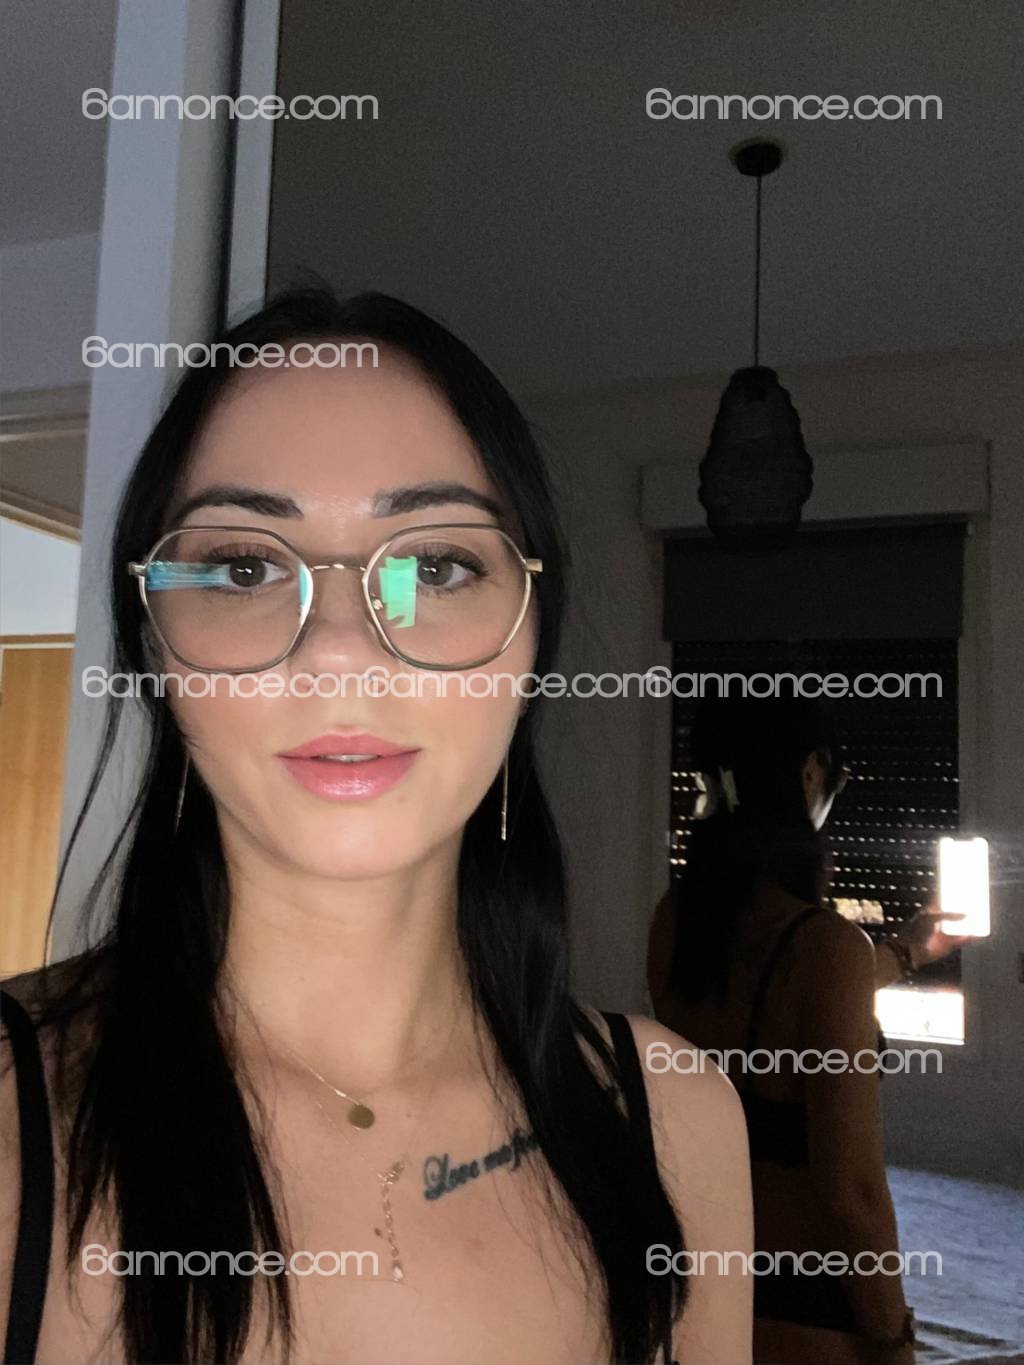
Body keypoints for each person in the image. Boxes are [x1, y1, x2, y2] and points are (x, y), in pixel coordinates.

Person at [1, 288, 751, 1365]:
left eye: (435, 565)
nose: (341, 651)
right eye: (246, 567)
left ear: (530, 644)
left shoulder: (674, 1117)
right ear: (156, 649)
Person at [647, 697, 968, 1365]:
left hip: (706, 1290)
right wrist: (893, 1338)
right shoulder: (823, 948)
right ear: (811, 771)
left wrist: (908, 952)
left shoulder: (677, 923)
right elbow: (852, 1192)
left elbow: (784, 992)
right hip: (811, 1309)